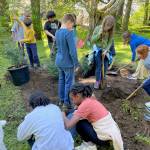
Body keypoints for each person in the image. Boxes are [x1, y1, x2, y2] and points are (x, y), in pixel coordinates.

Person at [63, 83, 124, 150]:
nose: (73, 102)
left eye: (72, 99)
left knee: (80, 123)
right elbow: (76, 110)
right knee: (80, 117)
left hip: (103, 139)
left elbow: (68, 125)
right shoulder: (90, 98)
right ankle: (93, 143)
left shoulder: (84, 105)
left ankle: (90, 146)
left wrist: (62, 114)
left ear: (77, 96)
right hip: (110, 134)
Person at [55, 14, 79, 110]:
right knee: (68, 83)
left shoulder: (57, 32)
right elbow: (72, 51)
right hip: (67, 62)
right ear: (68, 22)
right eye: (72, 25)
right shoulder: (68, 33)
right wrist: (76, 63)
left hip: (59, 61)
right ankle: (66, 103)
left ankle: (61, 100)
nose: (72, 27)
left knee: (61, 80)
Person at [91, 15, 115, 89]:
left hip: (105, 51)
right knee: (99, 66)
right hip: (97, 50)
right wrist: (99, 34)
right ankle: (97, 81)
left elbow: (110, 42)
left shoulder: (110, 32)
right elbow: (92, 40)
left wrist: (106, 50)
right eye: (107, 25)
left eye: (110, 26)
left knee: (105, 66)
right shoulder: (98, 28)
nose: (108, 28)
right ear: (104, 23)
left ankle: (102, 80)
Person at [136, 45, 150, 137]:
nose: (138, 56)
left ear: (143, 54)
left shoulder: (148, 62)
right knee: (145, 85)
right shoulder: (146, 58)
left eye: (139, 54)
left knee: (146, 84)